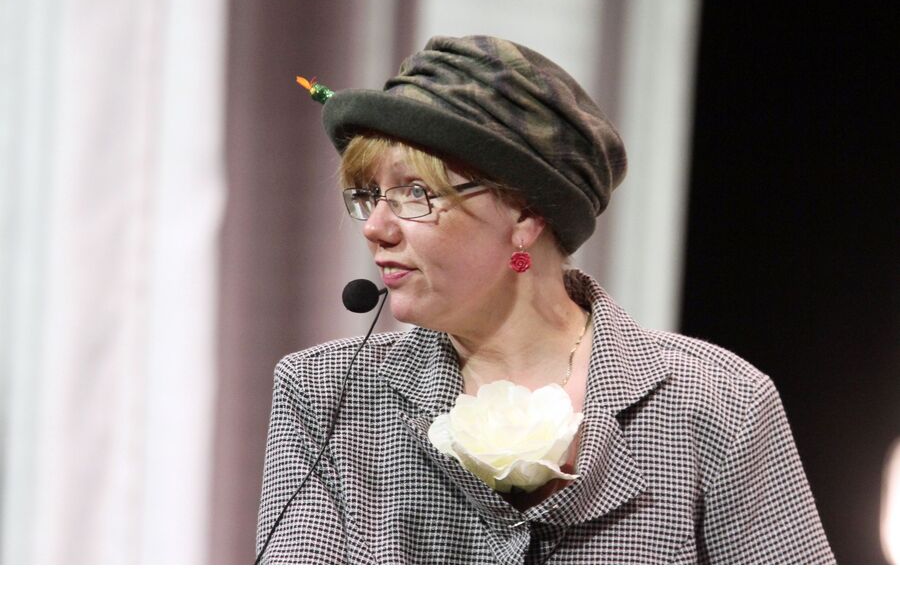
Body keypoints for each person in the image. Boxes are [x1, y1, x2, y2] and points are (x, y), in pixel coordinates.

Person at [256, 35, 834, 564]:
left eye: (415, 193)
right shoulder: (326, 394)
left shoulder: (717, 401)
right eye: (368, 195)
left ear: (526, 215)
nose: (375, 227)